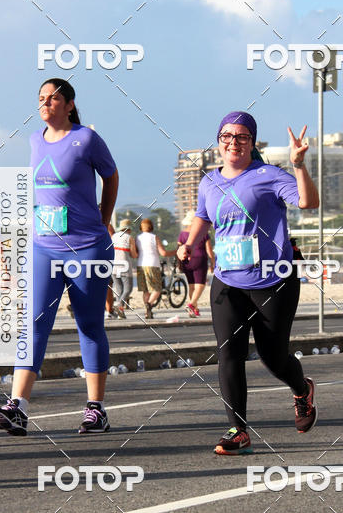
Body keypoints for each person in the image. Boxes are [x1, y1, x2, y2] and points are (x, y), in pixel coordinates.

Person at [177, 110, 320, 455]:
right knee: (229, 354)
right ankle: (237, 429)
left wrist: (299, 165)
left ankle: (301, 389)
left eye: (241, 136)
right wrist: (188, 245)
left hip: (274, 279)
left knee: (273, 358)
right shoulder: (209, 181)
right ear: (219, 142)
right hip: (227, 281)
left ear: (252, 143)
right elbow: (202, 216)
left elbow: (308, 203)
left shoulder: (269, 176)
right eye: (227, 136)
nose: (233, 142)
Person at [0, 78, 119, 435]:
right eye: (42, 98)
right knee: (33, 323)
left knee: (89, 325)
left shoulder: (87, 139)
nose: (46, 103)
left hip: (87, 245)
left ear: (70, 104)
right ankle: (18, 407)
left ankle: (96, 409)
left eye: (54, 98)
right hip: (44, 245)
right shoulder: (34, 140)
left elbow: (111, 176)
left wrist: (103, 220)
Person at [131, 219, 175, 319]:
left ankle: (147, 312)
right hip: (153, 264)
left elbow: (136, 253)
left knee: (145, 290)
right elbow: (163, 253)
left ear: (141, 227)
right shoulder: (154, 237)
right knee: (157, 289)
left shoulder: (137, 238)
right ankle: (149, 305)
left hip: (141, 265)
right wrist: (175, 252)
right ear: (151, 226)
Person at [177, 210, 214, 317]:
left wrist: (179, 262)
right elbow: (209, 249)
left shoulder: (182, 234)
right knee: (200, 285)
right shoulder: (203, 233)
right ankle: (192, 304)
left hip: (186, 261)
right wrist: (212, 262)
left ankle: (194, 309)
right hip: (200, 259)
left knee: (191, 286)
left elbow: (179, 248)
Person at [111, 218, 134, 318]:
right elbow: (134, 254)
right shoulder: (129, 237)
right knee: (128, 289)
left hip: (114, 266)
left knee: (119, 290)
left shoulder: (114, 236)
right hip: (125, 265)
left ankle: (120, 313)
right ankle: (119, 304)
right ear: (128, 229)